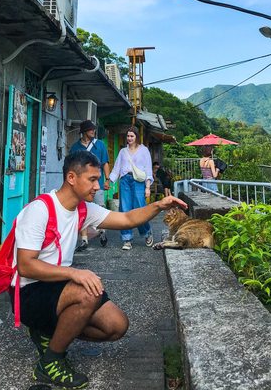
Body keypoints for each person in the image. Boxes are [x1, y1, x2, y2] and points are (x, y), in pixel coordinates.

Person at [13, 150, 187, 389]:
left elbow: (127, 219)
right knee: (89, 292)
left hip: (57, 287)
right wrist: (75, 273)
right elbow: (25, 265)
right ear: (71, 178)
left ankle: (48, 332)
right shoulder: (40, 209)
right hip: (28, 293)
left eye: (98, 179)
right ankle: (51, 361)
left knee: (116, 326)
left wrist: (158, 205)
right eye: (92, 179)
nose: (97, 186)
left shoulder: (83, 209)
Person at [108, 125, 154, 250]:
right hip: (125, 181)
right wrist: (110, 181)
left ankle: (147, 232)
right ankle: (127, 239)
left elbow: (148, 169)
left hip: (138, 181)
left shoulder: (144, 150)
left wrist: (147, 187)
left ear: (136, 137)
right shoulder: (123, 151)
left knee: (140, 208)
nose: (129, 138)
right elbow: (117, 168)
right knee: (125, 209)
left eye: (132, 136)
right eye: (128, 136)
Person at [70, 120, 110, 250]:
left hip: (97, 183)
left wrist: (107, 179)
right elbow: (71, 167)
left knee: (100, 207)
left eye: (93, 129)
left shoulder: (100, 145)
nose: (93, 131)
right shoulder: (75, 148)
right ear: (84, 131)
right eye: (90, 129)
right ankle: (84, 239)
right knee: (82, 209)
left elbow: (105, 163)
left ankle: (102, 232)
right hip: (81, 185)